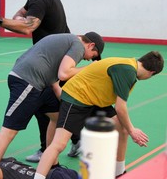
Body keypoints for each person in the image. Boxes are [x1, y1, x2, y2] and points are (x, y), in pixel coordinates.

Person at [0, 0, 79, 162]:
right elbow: (23, 15)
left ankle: (53, 147)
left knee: (46, 106)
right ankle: (72, 139)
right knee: (53, 107)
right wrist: (17, 18)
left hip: (52, 62)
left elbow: (28, 27)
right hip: (53, 58)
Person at [0, 32, 105, 179]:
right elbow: (64, 74)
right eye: (93, 55)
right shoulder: (78, 45)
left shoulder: (64, 43)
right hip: (27, 81)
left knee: (57, 116)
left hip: (39, 85)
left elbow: (56, 85)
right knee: (7, 133)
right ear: (90, 45)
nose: (88, 59)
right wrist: (91, 69)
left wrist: (71, 105)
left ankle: (52, 164)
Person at [33, 51, 164, 179]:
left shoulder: (130, 64)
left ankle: (119, 173)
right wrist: (132, 130)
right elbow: (120, 107)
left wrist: (128, 129)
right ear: (152, 73)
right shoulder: (127, 71)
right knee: (59, 144)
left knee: (121, 128)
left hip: (95, 99)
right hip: (77, 97)